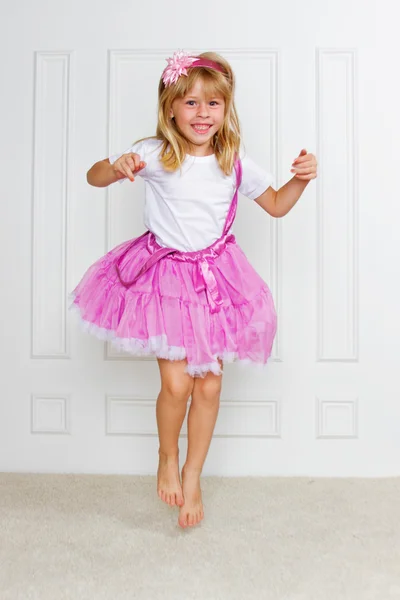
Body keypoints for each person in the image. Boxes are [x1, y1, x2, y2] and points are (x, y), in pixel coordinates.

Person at [69, 49, 317, 529]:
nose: (202, 114)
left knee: (210, 383)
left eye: (212, 104)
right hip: (165, 279)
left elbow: (279, 205)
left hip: (216, 280)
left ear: (226, 110)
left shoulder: (234, 162)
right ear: (170, 109)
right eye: (190, 103)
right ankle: (166, 455)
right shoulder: (156, 154)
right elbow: (93, 176)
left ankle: (194, 472)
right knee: (177, 382)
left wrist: (301, 179)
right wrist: (116, 166)